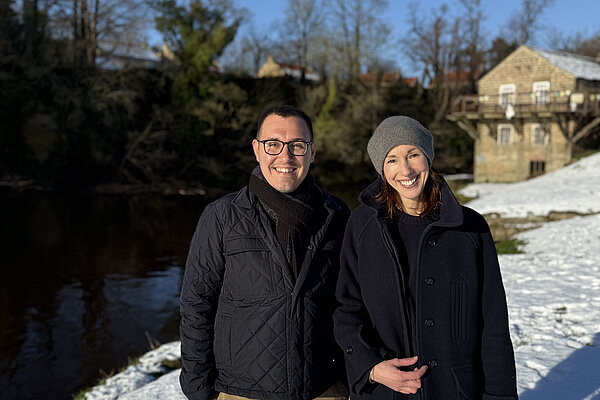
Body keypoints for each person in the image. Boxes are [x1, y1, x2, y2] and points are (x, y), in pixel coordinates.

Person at [333, 116, 518, 399]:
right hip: (385, 392)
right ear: (381, 169)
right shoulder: (362, 225)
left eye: (413, 155)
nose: (405, 169)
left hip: (456, 391)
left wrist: (500, 395)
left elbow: (492, 322)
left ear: (428, 157)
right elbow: (347, 310)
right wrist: (370, 367)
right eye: (392, 160)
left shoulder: (470, 228)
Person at [179, 105, 350, 400]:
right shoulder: (221, 216)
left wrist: (346, 381)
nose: (285, 156)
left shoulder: (336, 215)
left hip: (322, 389)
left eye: (297, 145)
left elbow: (349, 303)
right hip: (241, 392)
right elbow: (196, 306)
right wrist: (199, 390)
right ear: (257, 150)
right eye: (273, 144)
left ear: (313, 152)